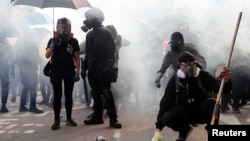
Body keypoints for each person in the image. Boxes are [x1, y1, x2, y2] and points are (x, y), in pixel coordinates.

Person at [151, 51, 232, 141]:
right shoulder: (175, 80)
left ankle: (211, 133)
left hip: (200, 112)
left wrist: (226, 80)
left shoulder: (202, 75)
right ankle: (184, 130)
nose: (189, 67)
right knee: (167, 117)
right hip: (184, 113)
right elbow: (165, 103)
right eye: (185, 65)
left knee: (213, 104)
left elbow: (222, 89)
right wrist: (158, 130)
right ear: (179, 66)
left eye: (192, 64)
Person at [81, 7, 122, 129]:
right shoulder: (89, 35)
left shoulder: (106, 33)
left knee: (107, 93)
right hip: (93, 70)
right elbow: (88, 54)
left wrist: (107, 69)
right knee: (95, 94)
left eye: (88, 18)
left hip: (103, 69)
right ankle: (97, 116)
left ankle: (113, 119)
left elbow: (111, 54)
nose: (86, 20)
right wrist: (84, 68)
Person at [45, 17, 80, 130]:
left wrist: (77, 72)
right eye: (60, 26)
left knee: (68, 95)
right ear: (57, 26)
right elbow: (47, 55)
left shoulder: (73, 41)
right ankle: (56, 120)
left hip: (69, 70)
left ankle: (69, 118)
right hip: (55, 71)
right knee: (57, 96)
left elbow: (77, 58)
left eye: (64, 26)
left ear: (68, 27)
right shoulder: (52, 39)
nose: (62, 28)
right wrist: (52, 46)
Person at [15, 28, 44, 114]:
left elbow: (18, 58)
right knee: (32, 88)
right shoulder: (30, 44)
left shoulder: (21, 43)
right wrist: (38, 62)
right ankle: (32, 106)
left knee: (26, 88)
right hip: (30, 69)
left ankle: (22, 106)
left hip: (25, 69)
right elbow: (35, 56)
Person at [0, 35, 15, 113]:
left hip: (4, 68)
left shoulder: (6, 44)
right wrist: (12, 69)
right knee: (5, 86)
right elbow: (12, 57)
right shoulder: (6, 44)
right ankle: (3, 105)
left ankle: (3, 105)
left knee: (5, 86)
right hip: (4, 68)